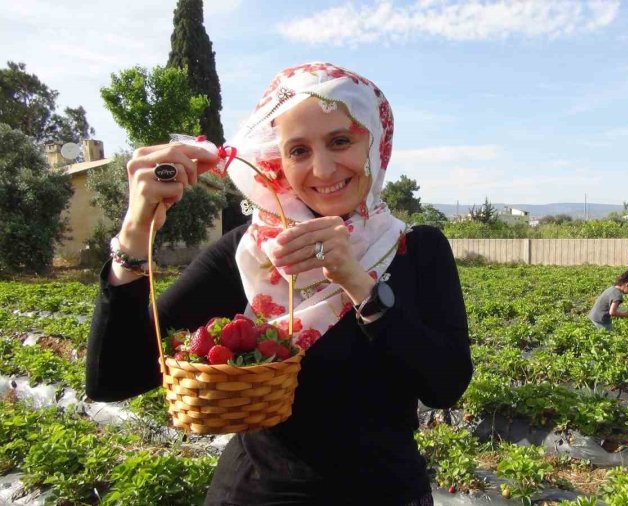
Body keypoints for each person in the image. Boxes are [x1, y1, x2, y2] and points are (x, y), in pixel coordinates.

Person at [85, 62, 473, 506]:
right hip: (257, 493)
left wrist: (356, 281)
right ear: (278, 161)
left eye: (341, 140)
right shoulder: (252, 254)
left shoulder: (414, 250)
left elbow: (445, 386)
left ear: (375, 143)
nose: (323, 169)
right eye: (299, 150)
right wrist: (136, 233)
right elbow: (114, 379)